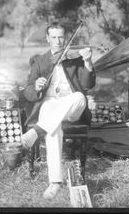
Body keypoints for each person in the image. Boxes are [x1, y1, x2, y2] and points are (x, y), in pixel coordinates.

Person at [21, 22, 96, 200]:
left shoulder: (76, 59)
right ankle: (55, 182)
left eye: (61, 37)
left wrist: (88, 62)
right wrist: (37, 86)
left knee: (79, 96)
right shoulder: (40, 61)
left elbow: (88, 85)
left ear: (66, 37)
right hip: (49, 103)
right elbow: (28, 90)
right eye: (53, 37)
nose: (57, 41)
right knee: (53, 129)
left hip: (71, 105)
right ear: (47, 38)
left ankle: (36, 132)